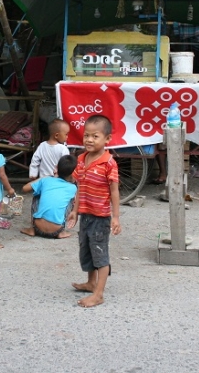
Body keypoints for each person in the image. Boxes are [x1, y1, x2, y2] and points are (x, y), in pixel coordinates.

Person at [66, 114, 121, 308]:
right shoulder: (81, 159)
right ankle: (91, 283)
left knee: (100, 254)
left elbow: (114, 191)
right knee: (87, 249)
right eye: (86, 135)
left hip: (101, 217)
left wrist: (115, 217)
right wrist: (75, 210)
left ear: (107, 139)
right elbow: (80, 186)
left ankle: (99, 294)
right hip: (86, 215)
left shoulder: (108, 163)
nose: (89, 139)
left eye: (95, 136)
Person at [20, 155, 77, 239]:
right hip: (56, 230)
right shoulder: (73, 187)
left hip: (37, 228)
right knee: (70, 199)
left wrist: (43, 178)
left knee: (37, 192)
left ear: (57, 168)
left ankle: (32, 229)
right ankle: (62, 232)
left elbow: (24, 188)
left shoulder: (46, 180)